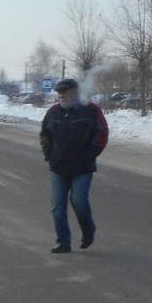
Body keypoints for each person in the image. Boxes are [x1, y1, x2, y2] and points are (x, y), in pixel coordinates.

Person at [38, 77, 109, 254]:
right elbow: (45, 134)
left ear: (75, 93)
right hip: (58, 167)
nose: (61, 96)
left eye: (64, 93)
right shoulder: (53, 112)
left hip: (82, 167)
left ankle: (88, 230)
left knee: (79, 202)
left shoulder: (91, 111)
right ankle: (63, 242)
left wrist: (90, 154)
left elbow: (101, 134)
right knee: (57, 207)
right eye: (59, 93)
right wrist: (50, 155)